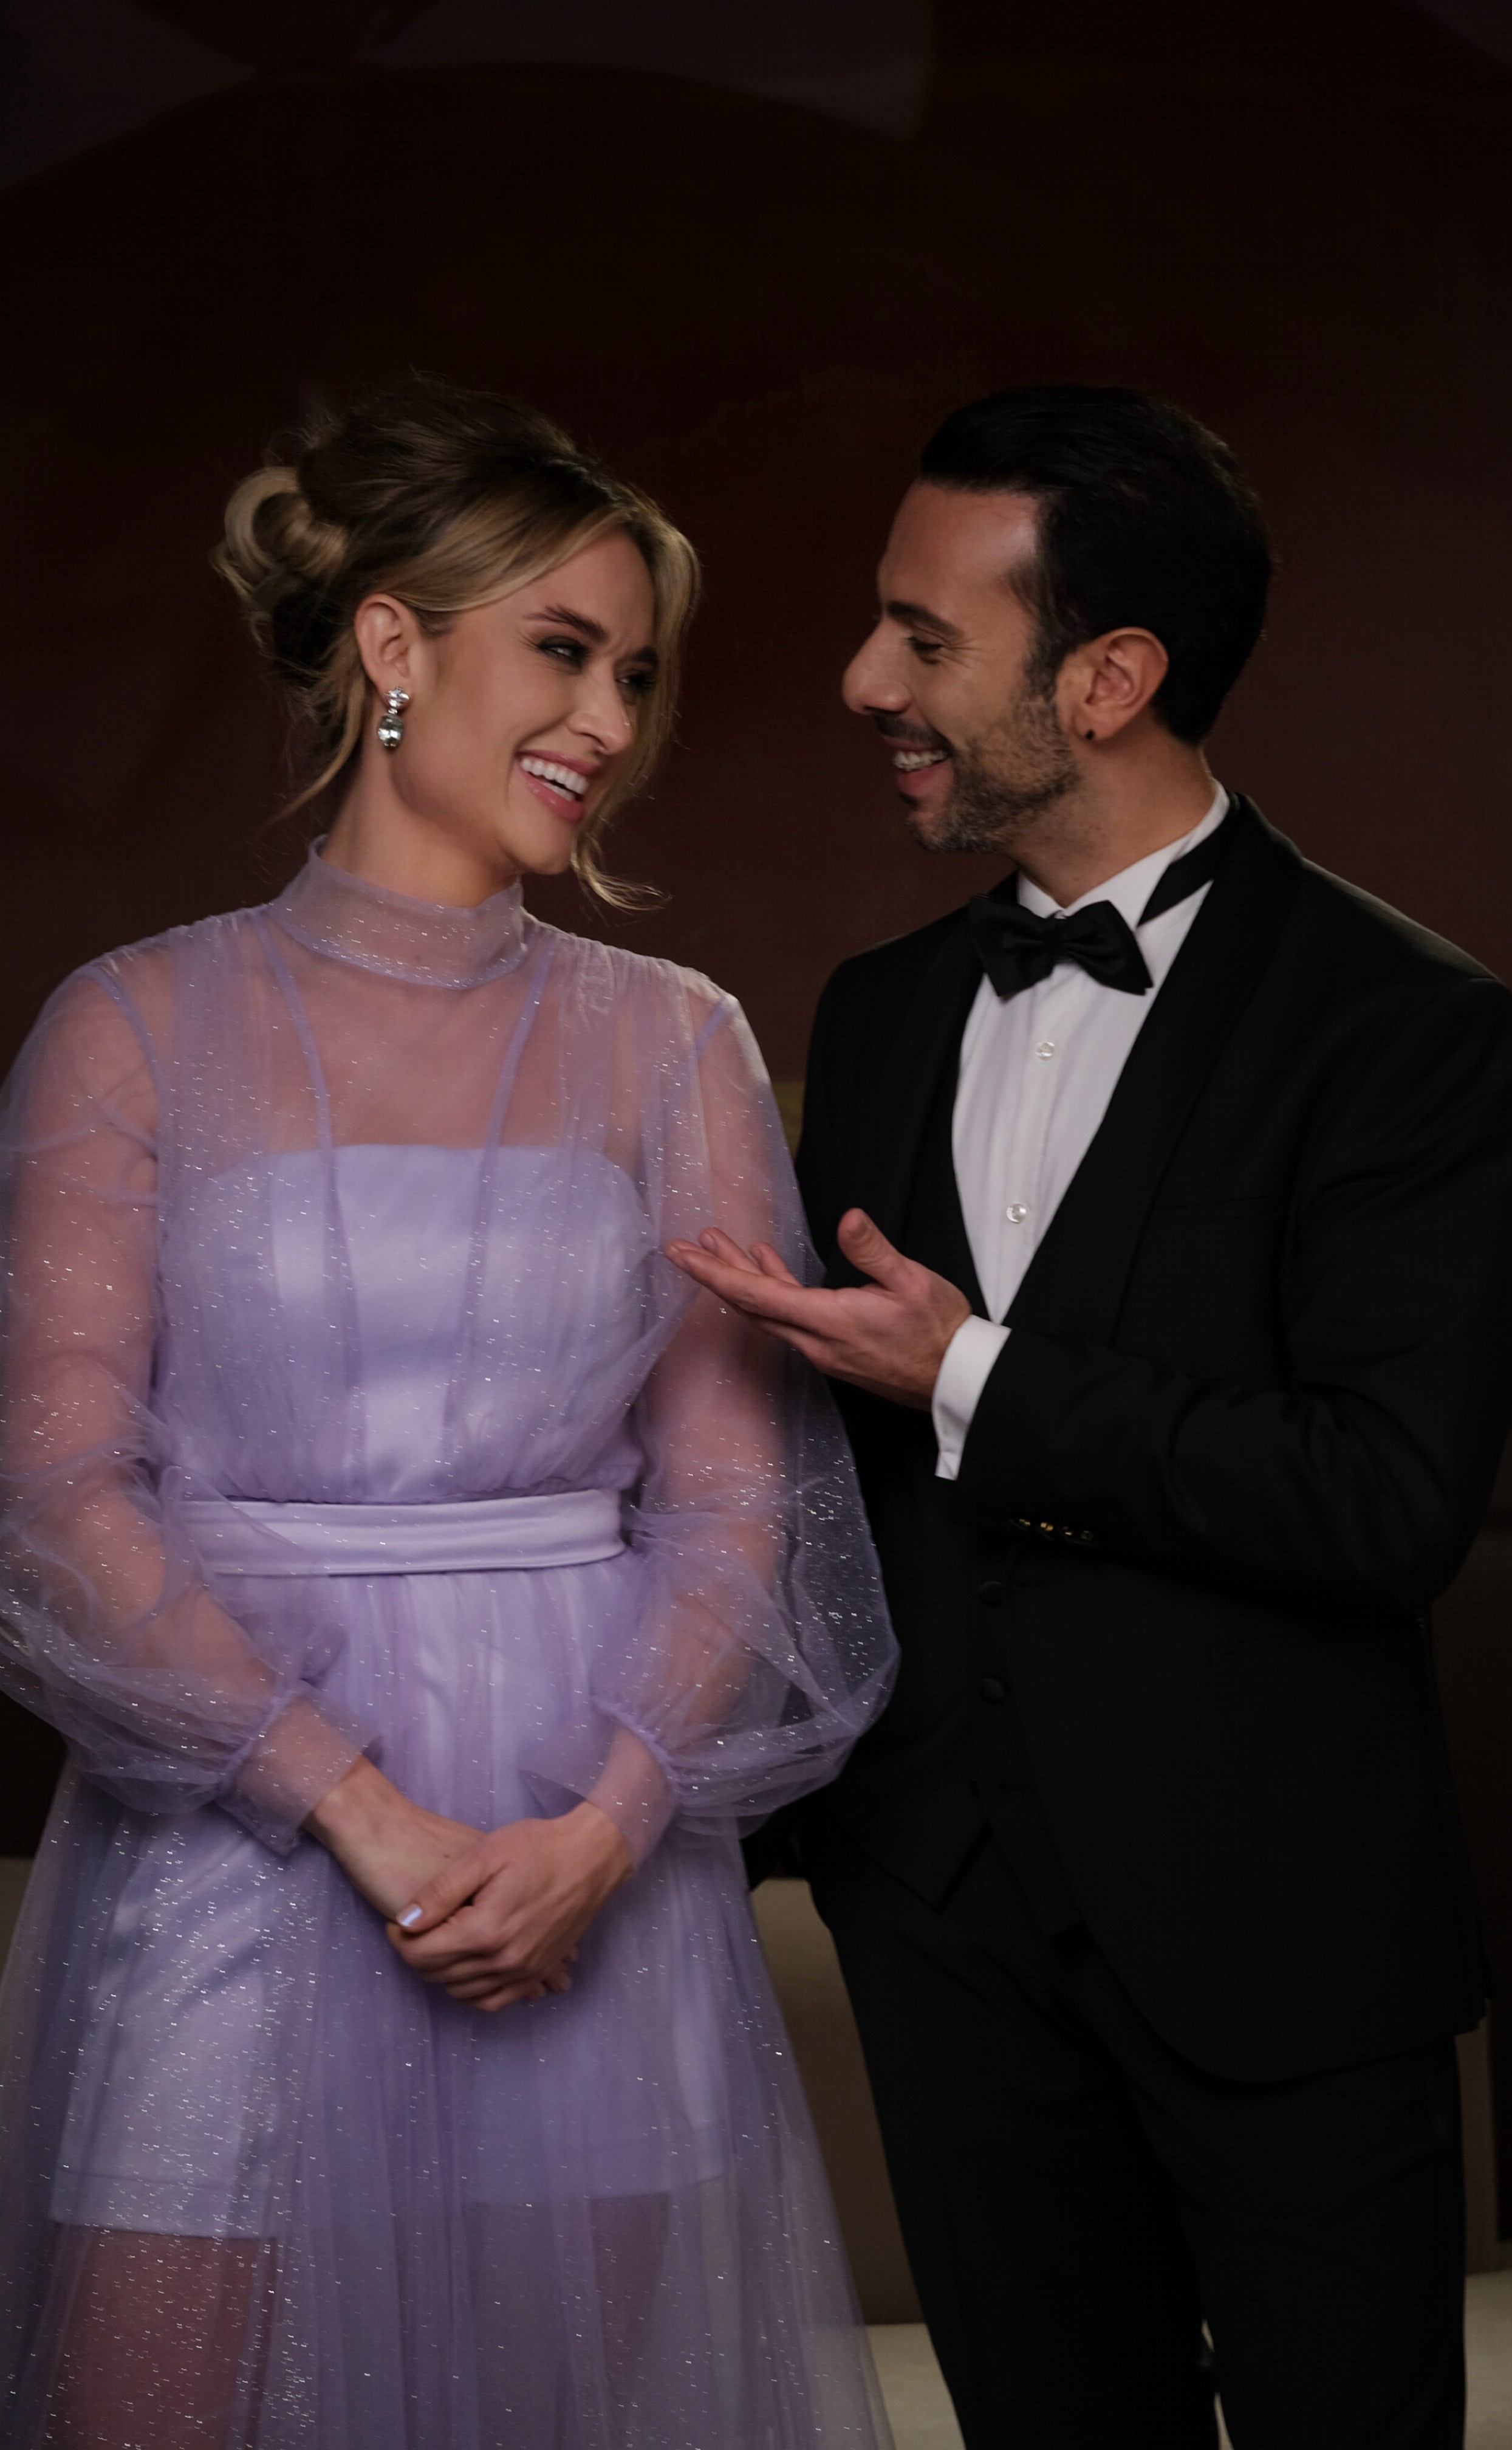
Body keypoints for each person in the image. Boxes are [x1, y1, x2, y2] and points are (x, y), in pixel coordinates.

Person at [0, 376, 897, 2450]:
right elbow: (55, 1489)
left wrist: (605, 1833)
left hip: (588, 1845)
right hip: (237, 1828)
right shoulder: (133, 1023)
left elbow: (736, 1504)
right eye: (564, 650)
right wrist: (354, 1807)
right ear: (392, 644)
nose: (611, 719)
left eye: (637, 674)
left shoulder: (675, 1041)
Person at [669, 385, 1512, 2449]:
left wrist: (968, 1372)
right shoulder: (880, 1009)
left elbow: (1384, 1501)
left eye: (924, 638)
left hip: (1282, 1940)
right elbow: (806, 1483)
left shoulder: (1408, 1026)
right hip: (942, 1931)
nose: (865, 680)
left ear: (1110, 679)